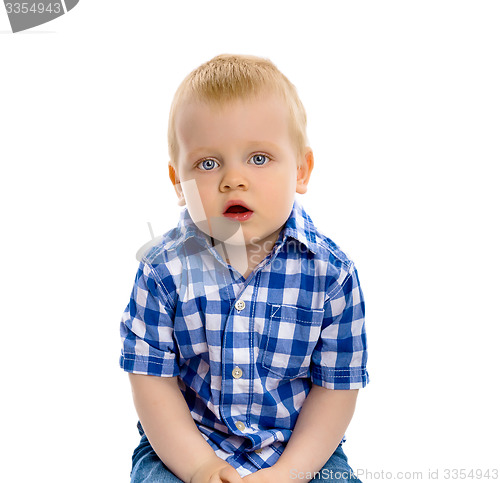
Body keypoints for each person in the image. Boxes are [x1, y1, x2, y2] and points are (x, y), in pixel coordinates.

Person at [119, 54, 369, 482]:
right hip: (183, 443)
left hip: (300, 448)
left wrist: (290, 472)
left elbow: (336, 388)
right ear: (178, 182)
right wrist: (199, 467)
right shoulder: (163, 271)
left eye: (258, 158)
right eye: (208, 163)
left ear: (301, 170)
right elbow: (151, 382)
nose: (233, 179)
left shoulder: (331, 274)